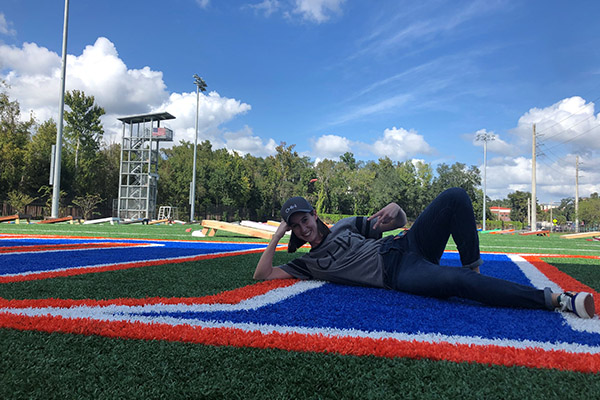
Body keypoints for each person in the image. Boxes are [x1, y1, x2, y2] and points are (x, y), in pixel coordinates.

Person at [254, 187, 595, 319]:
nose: (303, 228)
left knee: (455, 196)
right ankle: (558, 300)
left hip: (405, 244)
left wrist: (396, 209)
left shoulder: (344, 226)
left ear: (315, 215)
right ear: (293, 232)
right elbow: (263, 274)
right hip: (397, 274)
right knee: (454, 282)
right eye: (295, 226)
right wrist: (277, 235)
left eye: (305, 219)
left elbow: (395, 221)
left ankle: (474, 271)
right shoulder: (307, 263)